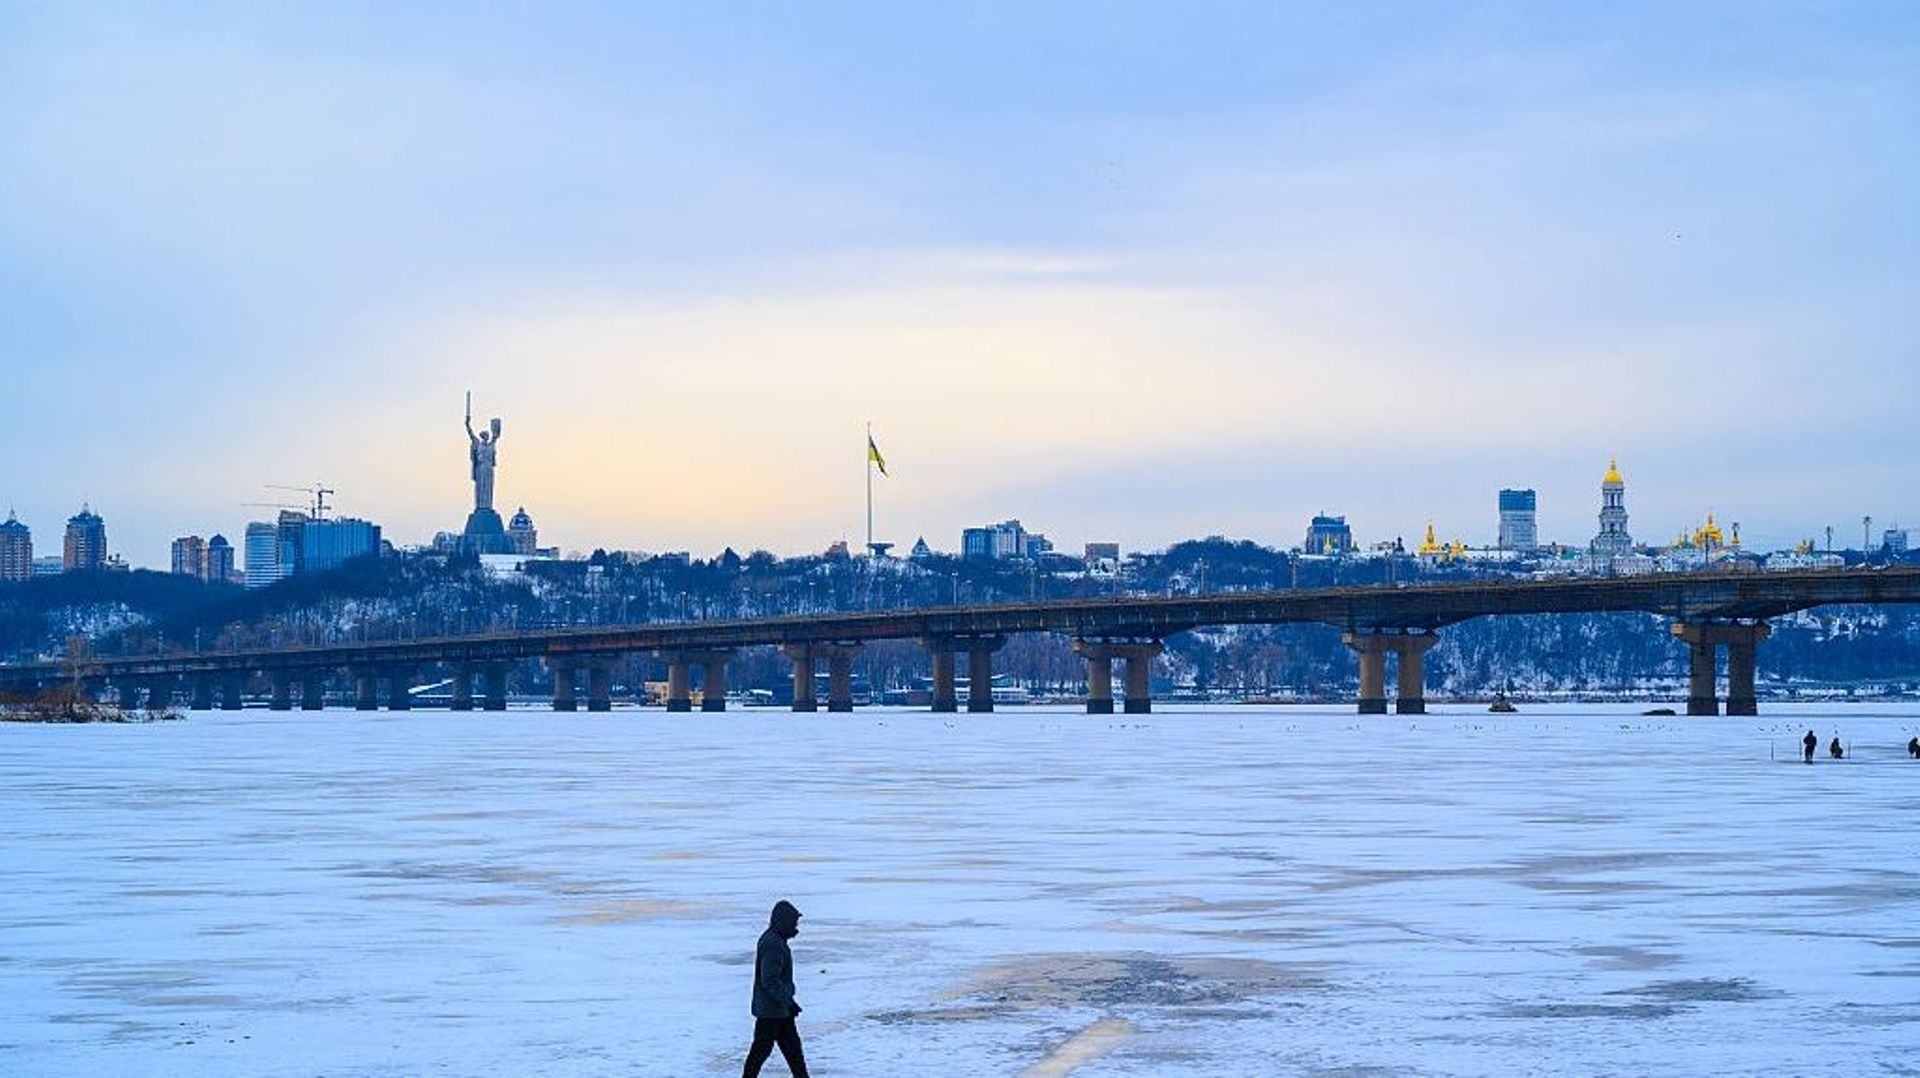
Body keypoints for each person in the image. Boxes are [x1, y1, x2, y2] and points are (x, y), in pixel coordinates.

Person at [742, 900, 809, 1078]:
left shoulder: (776, 941)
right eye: (793, 923)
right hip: (771, 1012)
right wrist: (789, 1002)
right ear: (782, 922)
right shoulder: (773, 944)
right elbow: (770, 981)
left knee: (793, 1054)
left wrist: (788, 1003)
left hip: (779, 1011)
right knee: (761, 1053)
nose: (796, 927)